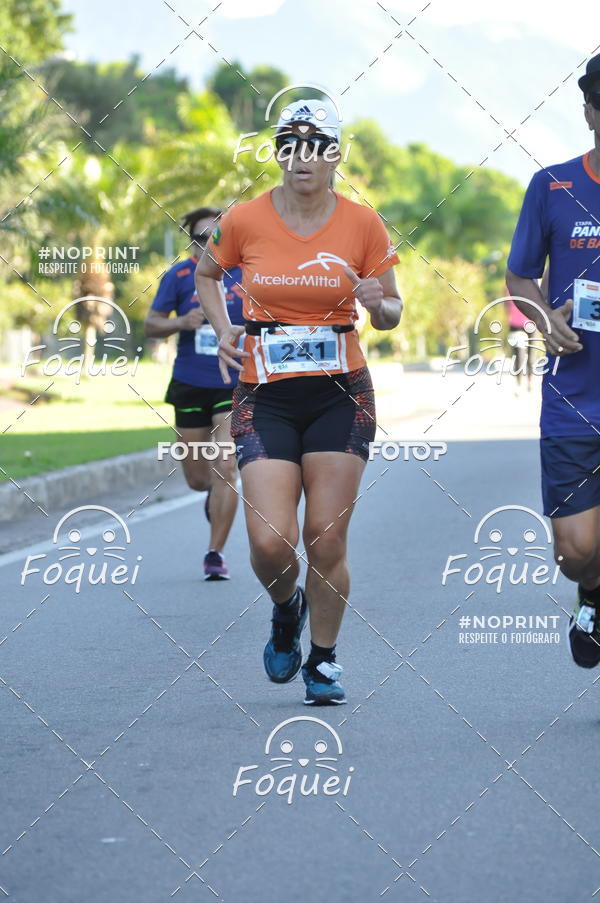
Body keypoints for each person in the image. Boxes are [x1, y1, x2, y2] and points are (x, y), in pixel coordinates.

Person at [195, 98, 402, 705]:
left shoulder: (364, 224)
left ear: (335, 154)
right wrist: (225, 326)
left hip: (341, 394)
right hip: (265, 394)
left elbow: (390, 312)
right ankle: (288, 608)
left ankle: (324, 660)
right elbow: (208, 274)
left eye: (315, 145)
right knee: (267, 542)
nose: (301, 157)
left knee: (325, 539)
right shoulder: (246, 218)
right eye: (289, 144)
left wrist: (375, 301)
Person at [506, 52, 600, 667]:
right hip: (575, 396)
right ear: (591, 110)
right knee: (576, 551)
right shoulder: (554, 185)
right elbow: (519, 275)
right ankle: (592, 592)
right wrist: (546, 320)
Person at [144, 207, 243, 580]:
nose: (211, 243)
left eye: (218, 235)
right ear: (191, 241)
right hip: (189, 382)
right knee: (198, 478)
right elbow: (150, 324)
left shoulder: (245, 273)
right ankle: (213, 498)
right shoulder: (180, 275)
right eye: (203, 238)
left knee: (225, 466)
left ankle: (214, 553)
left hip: (232, 381)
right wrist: (180, 323)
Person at [504, 296, 534, 392]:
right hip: (516, 323)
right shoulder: (510, 283)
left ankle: (529, 382)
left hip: (528, 322)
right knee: (518, 354)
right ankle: (519, 384)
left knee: (529, 353)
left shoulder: (534, 281)